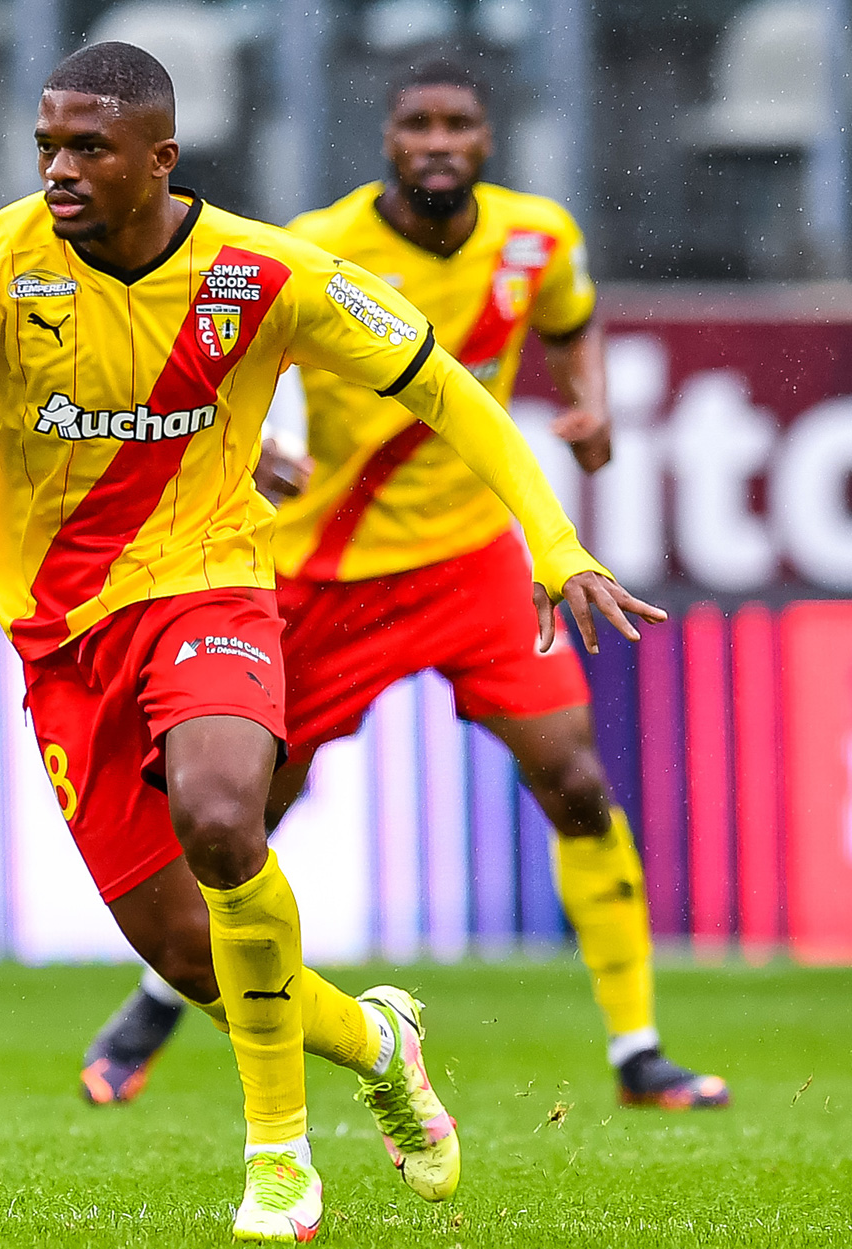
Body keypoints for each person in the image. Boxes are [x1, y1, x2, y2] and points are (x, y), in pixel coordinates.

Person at [0, 42, 661, 1243]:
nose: (57, 167)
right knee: (188, 956)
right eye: (46, 143)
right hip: (59, 642)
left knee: (223, 818)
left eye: (86, 148)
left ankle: (278, 1164)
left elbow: (446, 391)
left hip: (208, 585)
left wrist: (554, 543)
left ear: (159, 159)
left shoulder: (267, 271)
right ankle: (379, 1041)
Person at [79, 57, 729, 1115]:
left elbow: (568, 323)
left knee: (570, 778)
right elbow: (225, 361)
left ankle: (638, 1049)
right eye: (416, 124)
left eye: (456, 124)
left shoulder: (537, 238)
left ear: (485, 140)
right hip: (328, 572)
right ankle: (157, 994)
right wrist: (252, 448)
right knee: (246, 809)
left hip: (472, 563)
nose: (436, 141)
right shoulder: (321, 243)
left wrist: (590, 404)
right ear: (386, 139)